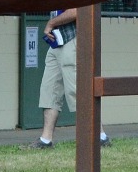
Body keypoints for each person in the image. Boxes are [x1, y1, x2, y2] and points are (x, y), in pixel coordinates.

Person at [36, 9, 109, 148]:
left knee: (79, 91)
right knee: (49, 91)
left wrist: (51, 23)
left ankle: (100, 137)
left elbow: (77, 11)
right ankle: (45, 140)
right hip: (56, 42)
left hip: (72, 40)